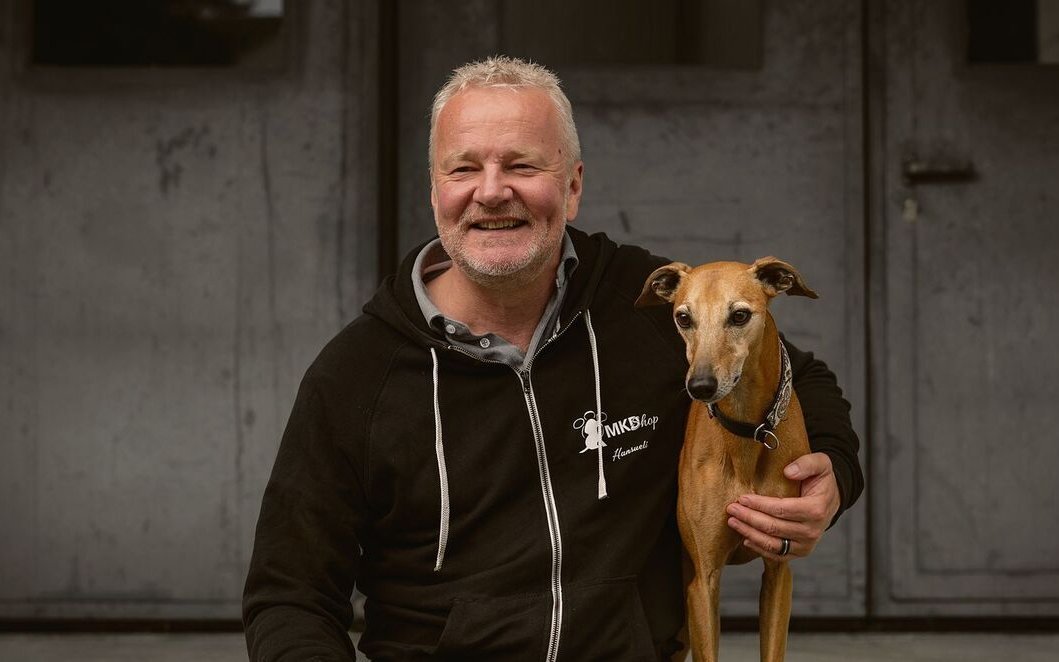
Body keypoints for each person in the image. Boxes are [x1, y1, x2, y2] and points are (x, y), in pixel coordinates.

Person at [243, 56, 863, 661]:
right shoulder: (359, 372)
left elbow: (797, 376)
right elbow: (289, 596)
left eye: (521, 164)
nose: (492, 191)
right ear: (434, 190)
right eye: (464, 168)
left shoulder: (650, 306)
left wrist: (832, 473)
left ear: (572, 187)